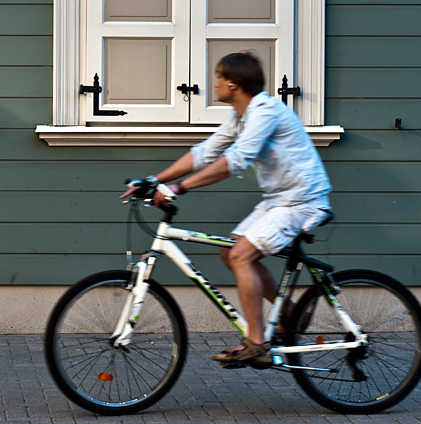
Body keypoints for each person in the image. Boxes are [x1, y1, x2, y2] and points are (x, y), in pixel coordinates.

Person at [136, 52, 332, 365]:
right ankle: (291, 314)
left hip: (302, 201)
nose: (214, 84)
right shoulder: (241, 116)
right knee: (229, 251)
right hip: (279, 200)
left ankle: (257, 342)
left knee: (241, 254)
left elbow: (235, 161)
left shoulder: (266, 111)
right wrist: (153, 180)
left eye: (218, 76)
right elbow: (204, 153)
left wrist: (179, 187)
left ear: (233, 82)